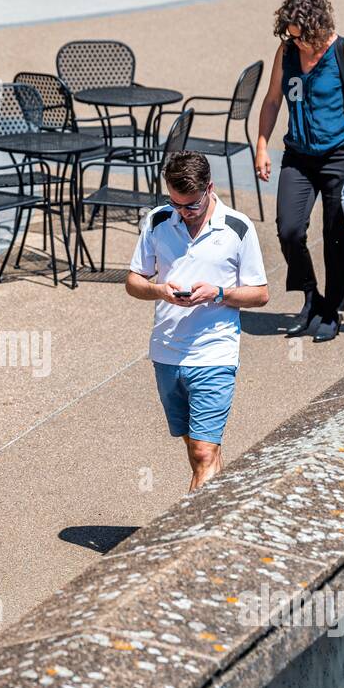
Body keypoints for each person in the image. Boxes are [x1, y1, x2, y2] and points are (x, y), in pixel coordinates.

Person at [126, 152, 269, 491]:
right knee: (198, 451)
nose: (183, 213)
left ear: (210, 189)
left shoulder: (238, 227)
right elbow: (133, 282)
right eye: (176, 204)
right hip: (167, 353)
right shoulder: (159, 221)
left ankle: (192, 538)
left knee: (204, 452)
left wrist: (218, 293)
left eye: (191, 205)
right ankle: (223, 517)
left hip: (214, 354)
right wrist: (159, 290)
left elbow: (261, 294)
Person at [254, 0, 344, 343]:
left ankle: (331, 311)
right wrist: (262, 146)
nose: (297, 43)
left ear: (318, 29)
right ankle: (311, 296)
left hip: (338, 154)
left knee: (336, 235)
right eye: (291, 36)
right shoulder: (288, 52)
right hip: (298, 154)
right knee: (289, 229)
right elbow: (272, 100)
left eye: (302, 37)